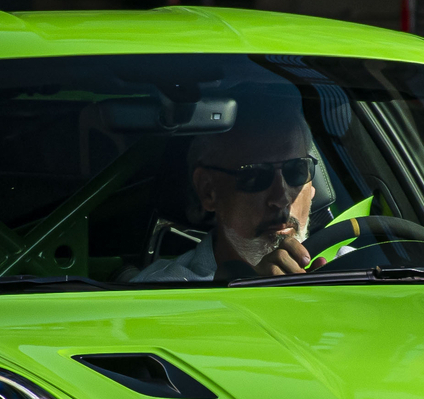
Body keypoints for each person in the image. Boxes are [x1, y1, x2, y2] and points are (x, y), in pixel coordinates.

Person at [132, 103, 318, 283]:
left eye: (297, 171)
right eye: (255, 176)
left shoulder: (344, 263)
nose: (282, 199)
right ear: (208, 191)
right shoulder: (164, 295)